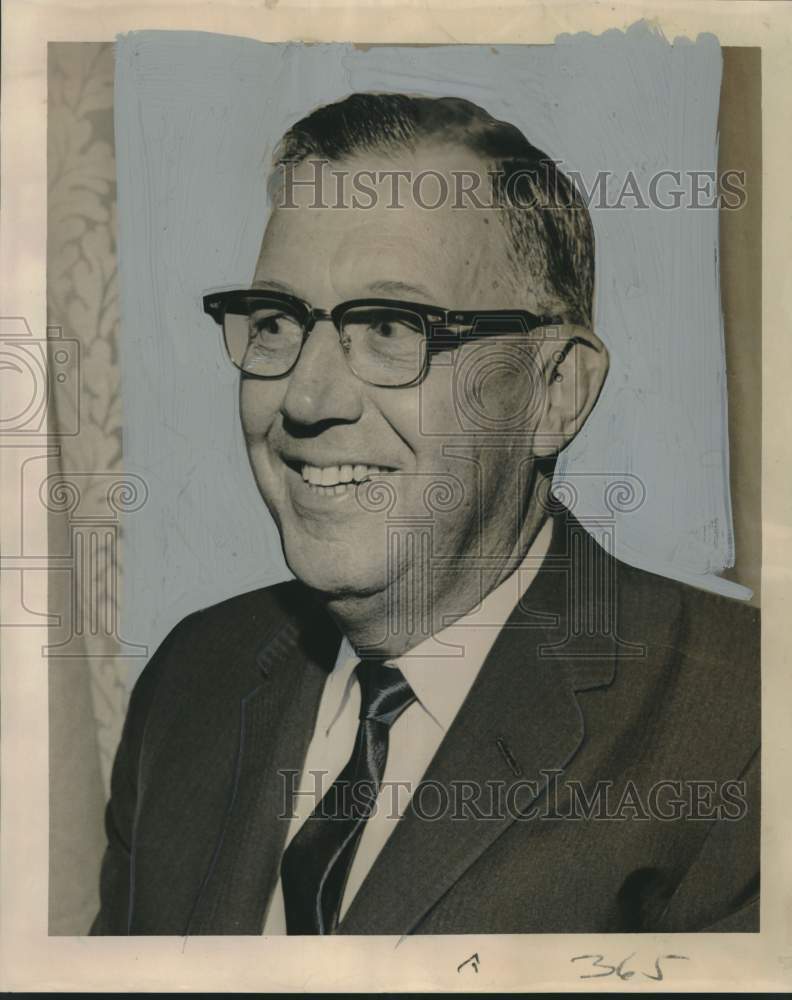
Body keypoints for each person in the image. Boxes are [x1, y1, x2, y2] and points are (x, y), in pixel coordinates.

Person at [91, 93, 759, 935]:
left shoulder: (745, 724)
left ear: (555, 392)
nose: (305, 397)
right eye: (275, 322)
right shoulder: (197, 678)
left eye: (392, 329)